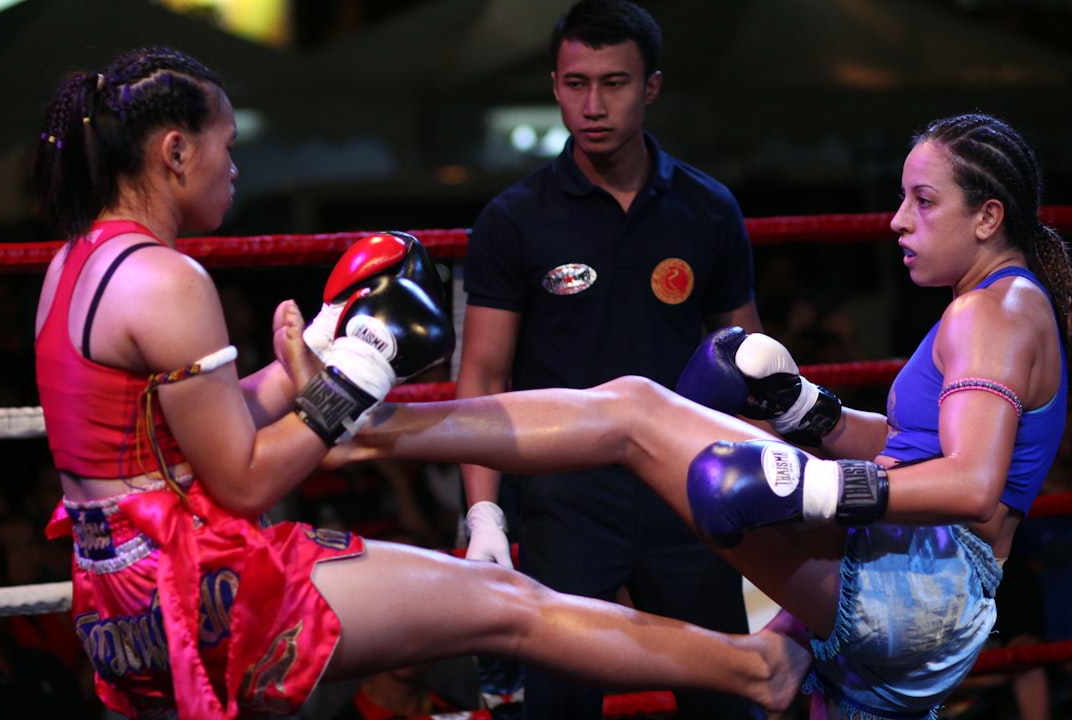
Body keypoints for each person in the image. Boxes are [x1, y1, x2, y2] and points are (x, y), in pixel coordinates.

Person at [30, 46, 811, 720]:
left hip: (119, 605)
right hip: (200, 593)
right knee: (511, 606)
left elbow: (190, 433)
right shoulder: (170, 280)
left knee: (500, 603)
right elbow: (242, 481)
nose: (234, 168)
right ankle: (760, 669)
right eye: (225, 147)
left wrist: (325, 342)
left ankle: (752, 667)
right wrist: (356, 377)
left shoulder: (74, 266)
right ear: (175, 152)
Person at [329, 112, 1072, 720]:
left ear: (988, 216)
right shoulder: (1000, 304)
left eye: (924, 201)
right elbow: (923, 447)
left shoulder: (993, 313)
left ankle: (366, 424)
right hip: (923, 588)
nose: (897, 220)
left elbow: (971, 484)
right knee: (755, 659)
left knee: (636, 409)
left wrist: (818, 487)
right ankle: (365, 426)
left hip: (922, 580)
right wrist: (809, 412)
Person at [457, 1, 761, 715]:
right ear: (555, 86)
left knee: (726, 697)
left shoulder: (708, 208)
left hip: (689, 489)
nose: (592, 105)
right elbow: (484, 374)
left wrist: (767, 483)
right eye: (576, 83)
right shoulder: (513, 218)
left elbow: (750, 360)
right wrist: (484, 516)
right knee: (560, 704)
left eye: (614, 83)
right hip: (565, 499)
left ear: (650, 86)